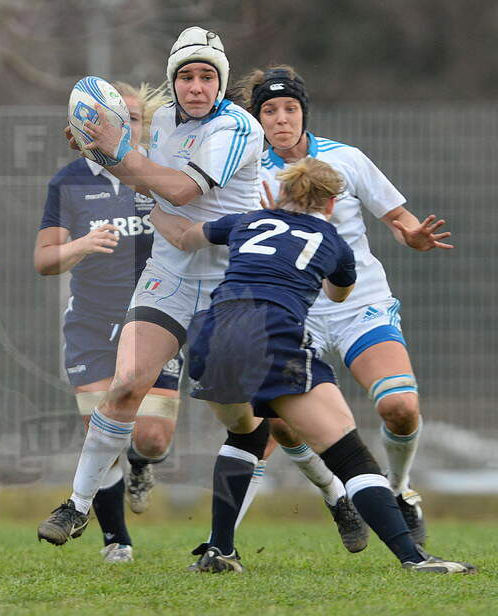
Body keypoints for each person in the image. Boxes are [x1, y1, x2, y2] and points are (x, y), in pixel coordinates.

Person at [150, 156, 474, 574]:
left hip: (212, 335)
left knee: (245, 433)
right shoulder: (334, 242)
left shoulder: (247, 220)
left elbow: (185, 236)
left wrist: (153, 204)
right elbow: (339, 296)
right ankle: (414, 558)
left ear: (282, 192)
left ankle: (221, 553)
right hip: (273, 338)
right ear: (331, 203)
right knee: (349, 455)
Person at [37, 26, 265, 547]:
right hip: (169, 274)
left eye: (208, 76)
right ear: (174, 81)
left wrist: (117, 152)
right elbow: (141, 181)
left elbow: (181, 188)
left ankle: (327, 489)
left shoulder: (237, 128)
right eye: (186, 76)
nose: (197, 86)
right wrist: (101, 152)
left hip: (230, 280)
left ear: (221, 83)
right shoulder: (162, 121)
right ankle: (76, 506)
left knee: (238, 413)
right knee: (125, 385)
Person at [229, 65, 453, 549]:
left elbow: (396, 215)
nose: (281, 119)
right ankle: (334, 495)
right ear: (258, 119)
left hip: (358, 303)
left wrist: (412, 235)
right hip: (295, 312)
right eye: (270, 110)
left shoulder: (345, 159)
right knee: (279, 425)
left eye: (290, 108)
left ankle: (398, 492)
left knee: (399, 408)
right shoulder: (247, 173)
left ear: (304, 112)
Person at [34, 82, 179, 563]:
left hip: (155, 319)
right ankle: (117, 539)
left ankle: (143, 463)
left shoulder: (159, 175)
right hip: (92, 323)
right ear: (85, 125)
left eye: (134, 118)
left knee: (151, 438)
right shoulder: (68, 182)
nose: (125, 125)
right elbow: (44, 260)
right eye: (114, 116)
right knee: (103, 432)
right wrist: (81, 245)